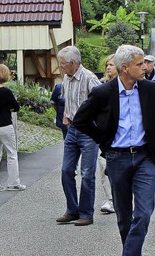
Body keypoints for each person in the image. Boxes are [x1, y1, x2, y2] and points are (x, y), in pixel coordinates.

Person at [73, 44, 155, 255]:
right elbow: (80, 120)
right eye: (139, 64)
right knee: (124, 216)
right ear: (125, 68)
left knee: (144, 212)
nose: (145, 67)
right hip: (117, 158)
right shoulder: (102, 93)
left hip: (144, 157)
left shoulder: (150, 89)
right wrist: (103, 140)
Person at [55, 46, 102, 226]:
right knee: (66, 170)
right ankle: (72, 210)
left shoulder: (90, 78)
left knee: (87, 173)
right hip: (72, 129)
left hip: (88, 131)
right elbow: (67, 99)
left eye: (63, 64)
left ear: (73, 63)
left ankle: (86, 213)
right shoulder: (66, 79)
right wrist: (66, 115)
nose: (61, 67)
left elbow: (102, 102)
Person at [0, 64, 25, 192]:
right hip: (4, 124)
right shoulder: (6, 91)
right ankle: (13, 182)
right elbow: (16, 107)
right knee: (11, 153)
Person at [98, 54, 117, 214]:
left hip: (120, 139)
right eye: (107, 65)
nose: (108, 67)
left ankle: (121, 199)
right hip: (105, 138)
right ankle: (110, 199)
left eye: (112, 64)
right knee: (104, 168)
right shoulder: (102, 87)